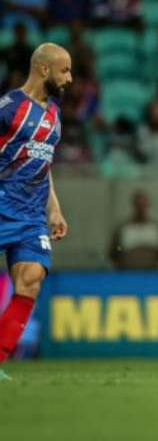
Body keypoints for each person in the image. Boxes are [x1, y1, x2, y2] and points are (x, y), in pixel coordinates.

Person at [0, 43, 71, 380]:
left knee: (31, 280)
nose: (69, 78)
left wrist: (54, 209)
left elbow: (44, 162)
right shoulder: (9, 107)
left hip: (31, 216)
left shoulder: (55, 112)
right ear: (44, 69)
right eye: (65, 70)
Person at [109, 190, 158, 270]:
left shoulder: (156, 228)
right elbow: (113, 252)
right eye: (138, 205)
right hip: (127, 272)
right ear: (134, 205)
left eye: (143, 205)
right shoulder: (123, 229)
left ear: (147, 205)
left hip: (152, 273)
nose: (140, 208)